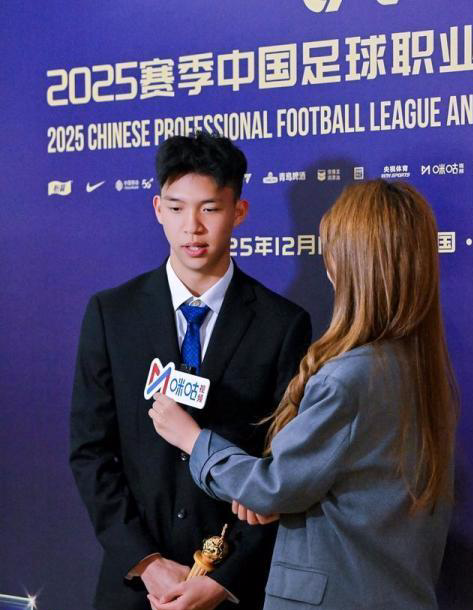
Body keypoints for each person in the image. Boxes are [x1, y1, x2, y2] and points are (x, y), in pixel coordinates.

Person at [149, 180, 459, 609]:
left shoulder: (347, 378)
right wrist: (284, 496)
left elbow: (273, 486)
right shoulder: (418, 369)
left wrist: (192, 439)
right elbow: (329, 486)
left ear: (347, 264)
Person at [70, 132, 311, 610]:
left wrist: (225, 580)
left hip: (234, 590)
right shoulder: (112, 314)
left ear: (239, 212)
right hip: (135, 589)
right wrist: (146, 562)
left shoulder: (283, 325)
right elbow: (90, 452)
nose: (192, 228)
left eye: (210, 209)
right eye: (177, 209)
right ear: (158, 209)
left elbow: (285, 468)